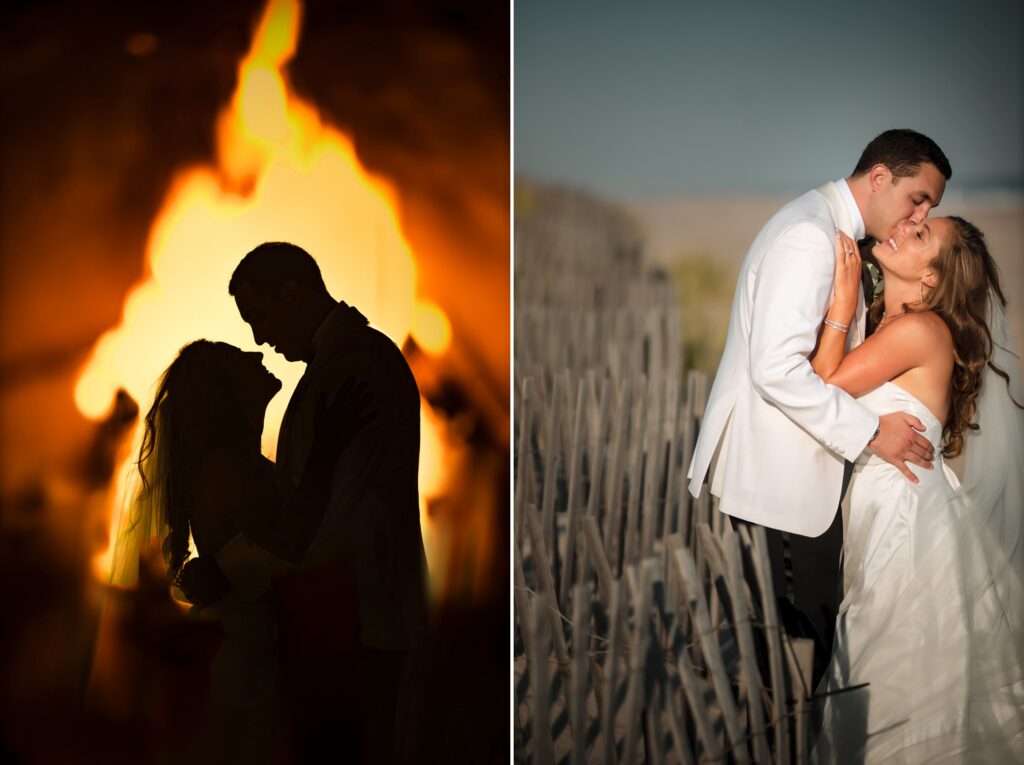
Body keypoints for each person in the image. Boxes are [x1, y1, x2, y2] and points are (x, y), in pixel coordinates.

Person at [687, 130, 951, 680]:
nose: (917, 215)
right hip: (778, 486)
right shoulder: (809, 236)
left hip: (792, 485)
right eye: (917, 199)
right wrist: (872, 432)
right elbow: (776, 368)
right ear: (879, 177)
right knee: (790, 660)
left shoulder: (830, 231)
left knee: (793, 657)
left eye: (929, 208)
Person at [809, 221, 1024, 761]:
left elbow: (821, 389)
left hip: (908, 519)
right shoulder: (895, 326)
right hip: (896, 507)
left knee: (891, 660)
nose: (906, 226)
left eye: (922, 233)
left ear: (930, 277)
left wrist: (840, 302)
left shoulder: (919, 330)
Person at [111, 340, 373, 763]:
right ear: (225, 390)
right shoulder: (223, 466)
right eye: (240, 359)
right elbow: (290, 543)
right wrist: (328, 452)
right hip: (245, 651)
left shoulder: (240, 462)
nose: (257, 355)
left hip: (258, 643)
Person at [228, 241, 429, 764]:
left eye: (259, 316)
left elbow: (334, 513)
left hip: (361, 621)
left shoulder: (360, 367)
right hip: (338, 619)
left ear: (292, 295)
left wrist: (243, 564)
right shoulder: (339, 366)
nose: (259, 339)